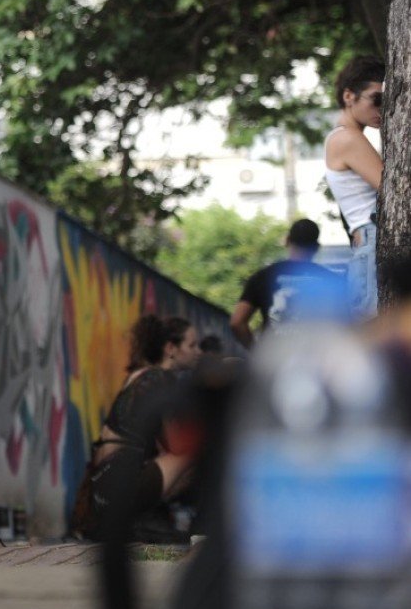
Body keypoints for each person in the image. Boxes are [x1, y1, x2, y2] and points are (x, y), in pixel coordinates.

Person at [71, 315, 203, 542]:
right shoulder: (161, 379)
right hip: (123, 486)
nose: (198, 352)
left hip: (101, 489)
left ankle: (153, 517)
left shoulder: (138, 375)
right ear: (171, 348)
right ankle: (159, 519)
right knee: (192, 452)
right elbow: (176, 444)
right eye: (192, 345)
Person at [326, 56, 384, 319]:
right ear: (349, 96)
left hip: (368, 242)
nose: (382, 108)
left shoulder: (345, 137)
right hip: (371, 241)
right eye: (376, 99)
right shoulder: (348, 139)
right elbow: (392, 189)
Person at [229, 218, 345, 345]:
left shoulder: (263, 277)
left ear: (287, 240)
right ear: (317, 247)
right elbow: (345, 325)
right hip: (316, 359)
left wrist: (256, 352)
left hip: (274, 359)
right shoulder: (332, 281)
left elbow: (237, 322)